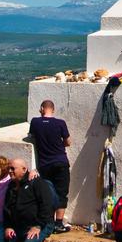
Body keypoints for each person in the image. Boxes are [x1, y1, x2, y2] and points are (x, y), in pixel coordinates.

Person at [27, 99, 71, 234]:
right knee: (62, 193)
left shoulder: (35, 122)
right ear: (53, 109)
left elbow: (31, 136)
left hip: (44, 165)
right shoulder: (60, 123)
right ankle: (59, 223)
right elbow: (68, 142)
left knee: (47, 193)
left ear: (41, 109)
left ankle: (48, 222)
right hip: (60, 162)